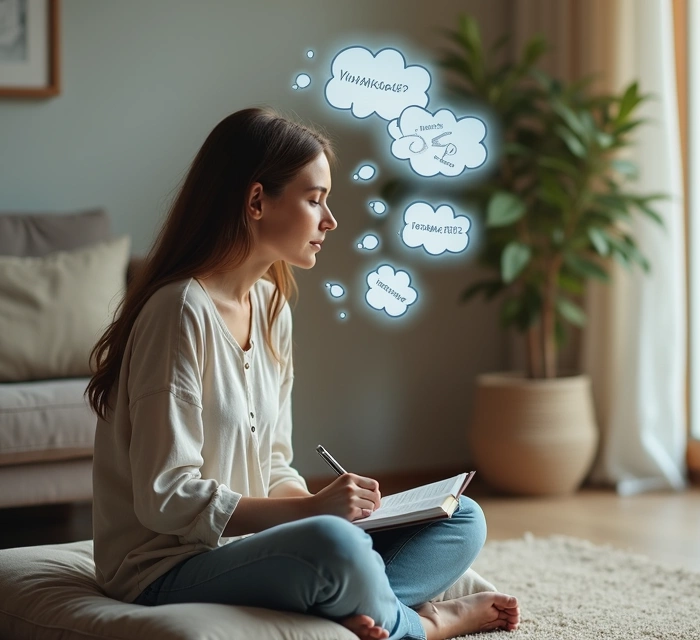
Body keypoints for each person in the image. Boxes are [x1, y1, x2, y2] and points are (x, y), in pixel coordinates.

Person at [85, 107, 521, 640]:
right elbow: (165, 497)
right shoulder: (179, 311)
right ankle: (422, 626)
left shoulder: (271, 307)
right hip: (164, 570)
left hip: (253, 551)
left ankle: (352, 605)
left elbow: (273, 463)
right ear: (256, 201)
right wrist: (316, 514)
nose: (330, 220)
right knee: (338, 550)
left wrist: (330, 506)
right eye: (315, 200)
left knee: (461, 518)